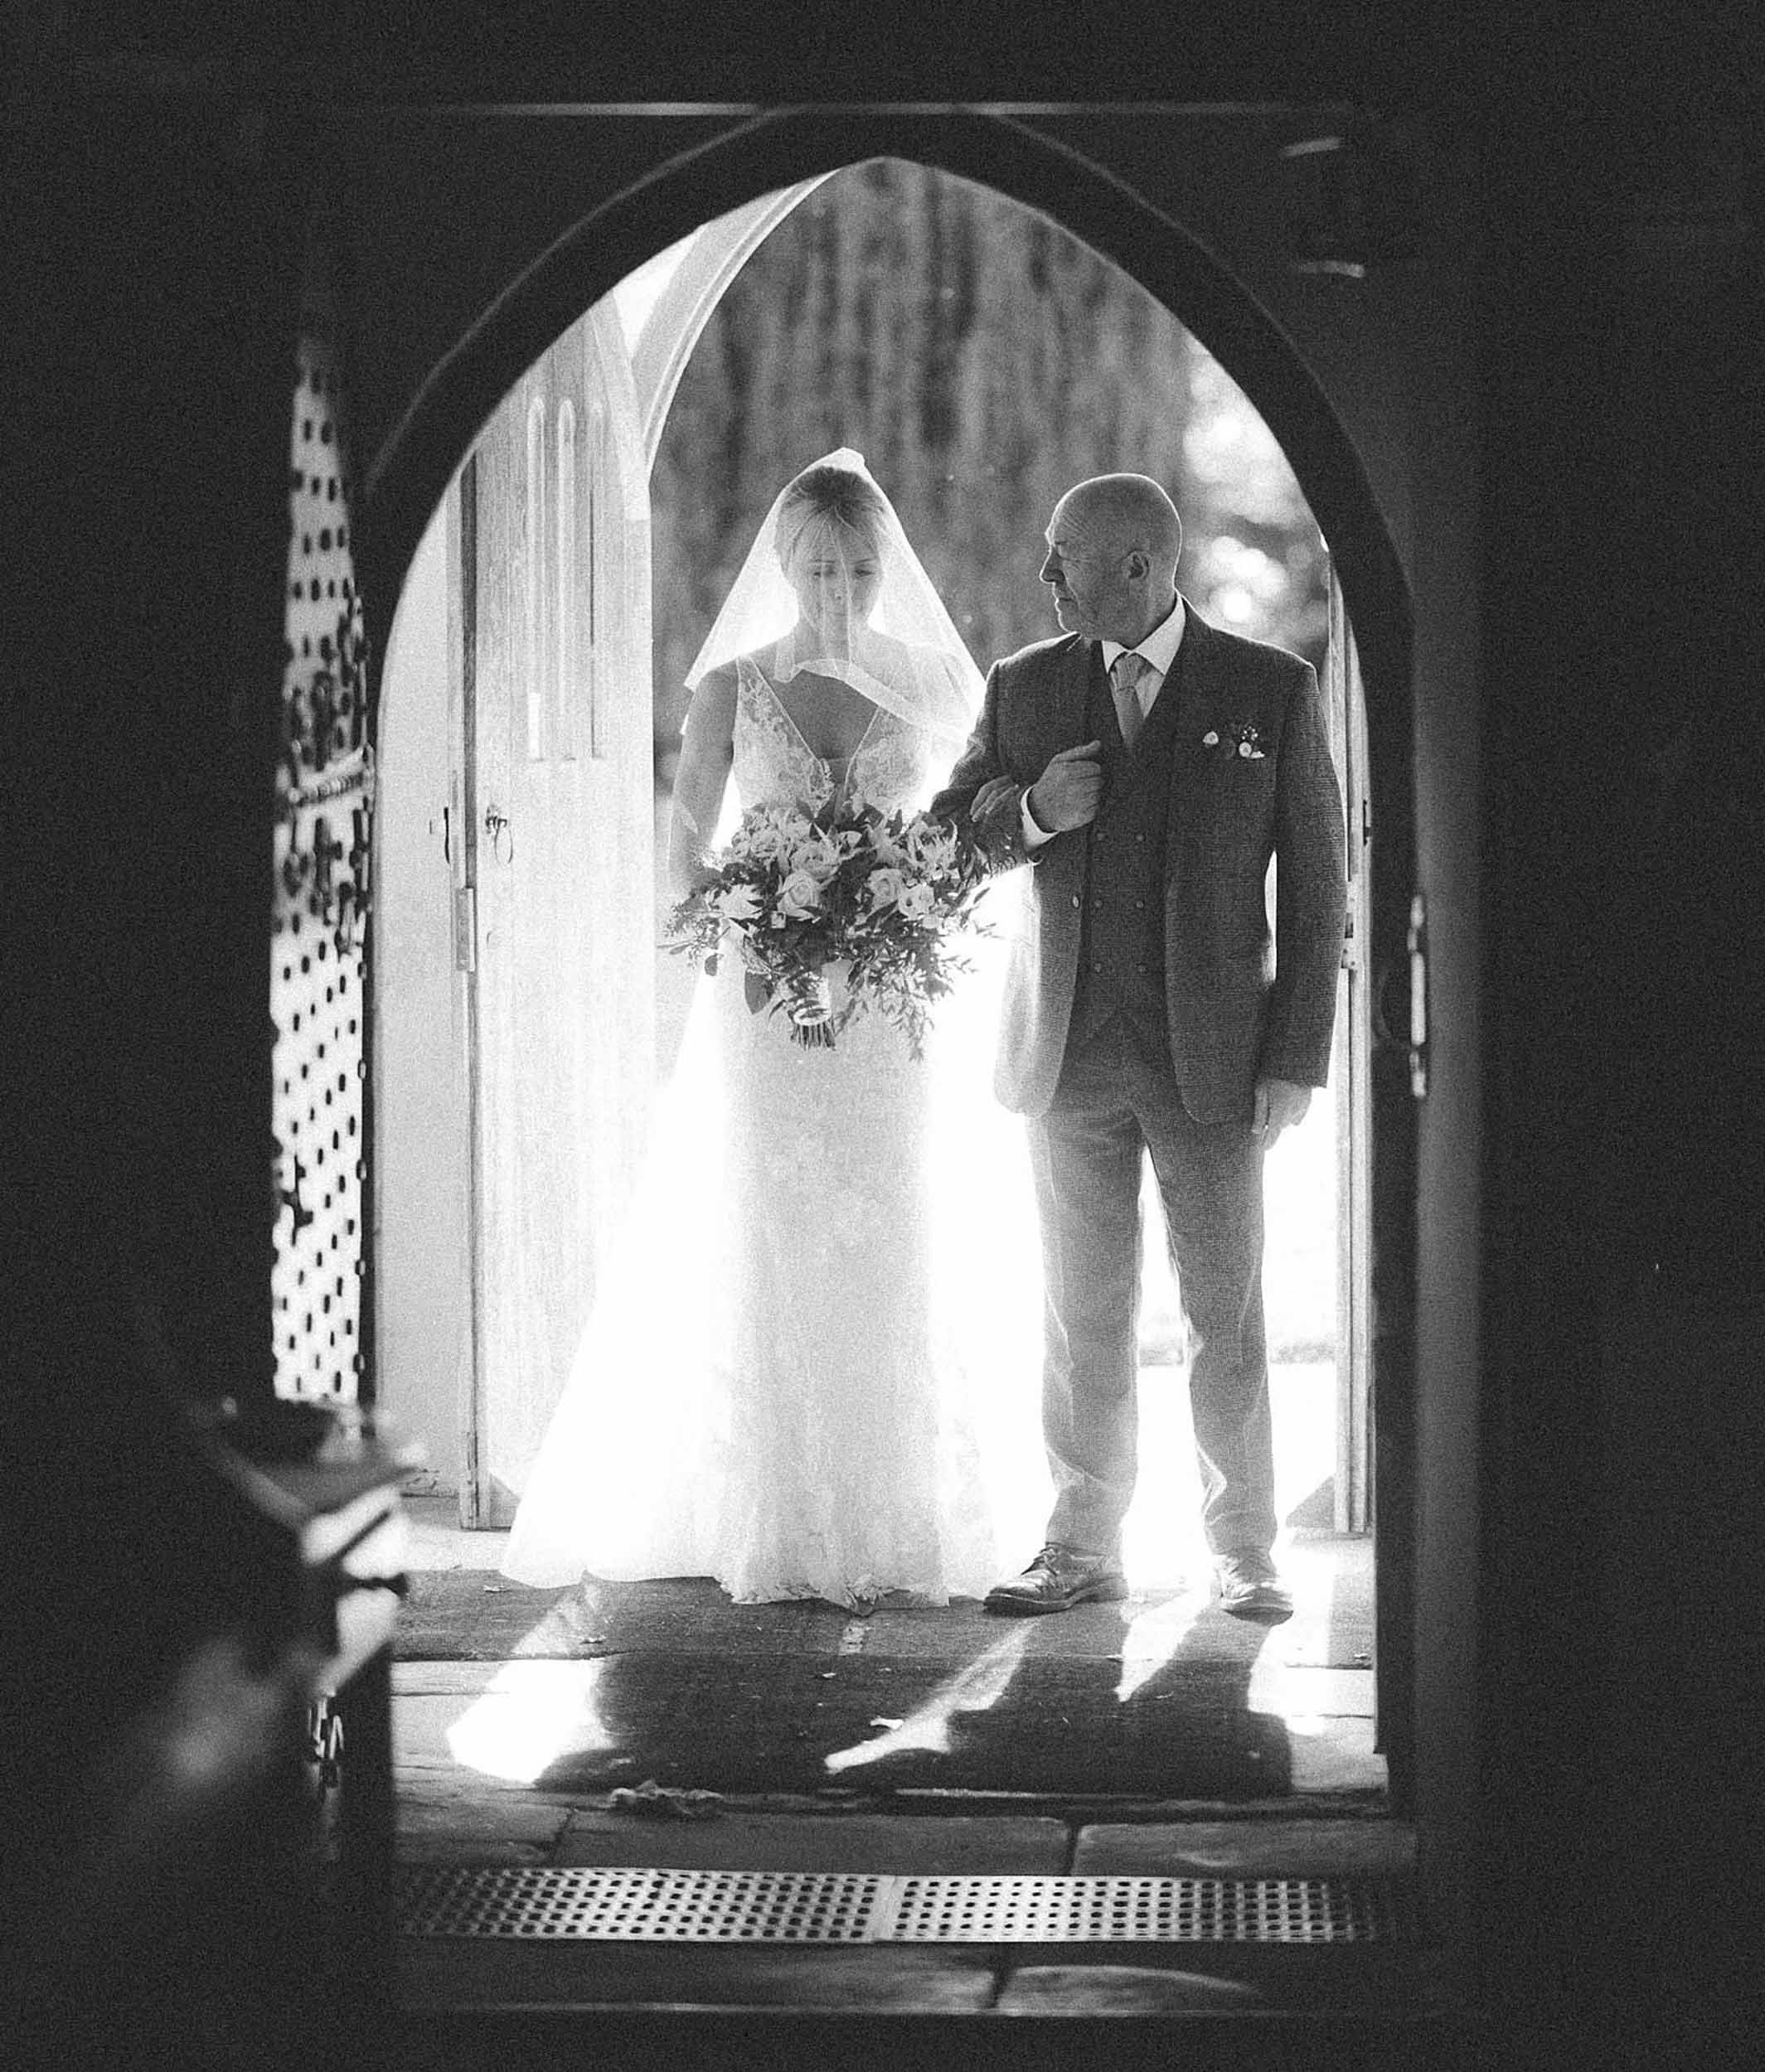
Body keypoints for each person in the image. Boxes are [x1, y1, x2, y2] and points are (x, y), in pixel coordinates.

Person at [501, 450, 1016, 1612]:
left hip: (887, 1001)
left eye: (859, 570)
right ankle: (776, 1509)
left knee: (890, 1218)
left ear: (885, 569)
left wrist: (890, 910)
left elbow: (965, 834)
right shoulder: (732, 685)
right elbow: (685, 845)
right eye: (819, 569)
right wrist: (764, 917)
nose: (839, 591)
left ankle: (893, 1506)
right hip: (766, 1006)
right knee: (769, 1220)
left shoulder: (933, 681)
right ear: (784, 567)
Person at [931, 472, 1346, 1623]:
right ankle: (1079, 1544)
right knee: (1082, 1311)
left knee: (1226, 1313)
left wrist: (1294, 1058)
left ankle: (1244, 1549)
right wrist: (1030, 812)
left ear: (1137, 565)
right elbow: (944, 837)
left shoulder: (1270, 687)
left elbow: (1318, 891)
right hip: (1066, 1056)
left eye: (1061, 557)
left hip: (1214, 1063)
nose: (1045, 577)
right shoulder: (1024, 684)